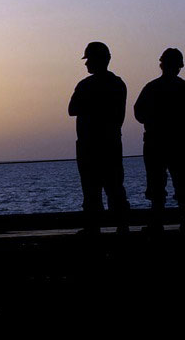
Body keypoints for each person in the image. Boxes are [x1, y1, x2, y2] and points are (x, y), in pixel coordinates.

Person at [134, 48, 185, 233]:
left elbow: (139, 114)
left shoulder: (151, 87)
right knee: (181, 183)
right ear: (179, 66)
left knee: (157, 184)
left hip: (156, 143)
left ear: (162, 65)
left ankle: (157, 223)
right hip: (178, 142)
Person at [68, 41, 130, 235]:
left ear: (98, 60)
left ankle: (94, 227)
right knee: (113, 187)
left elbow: (72, 109)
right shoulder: (117, 84)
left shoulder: (85, 85)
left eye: (89, 60)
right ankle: (121, 226)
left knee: (92, 188)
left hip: (90, 146)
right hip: (110, 143)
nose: (86, 64)